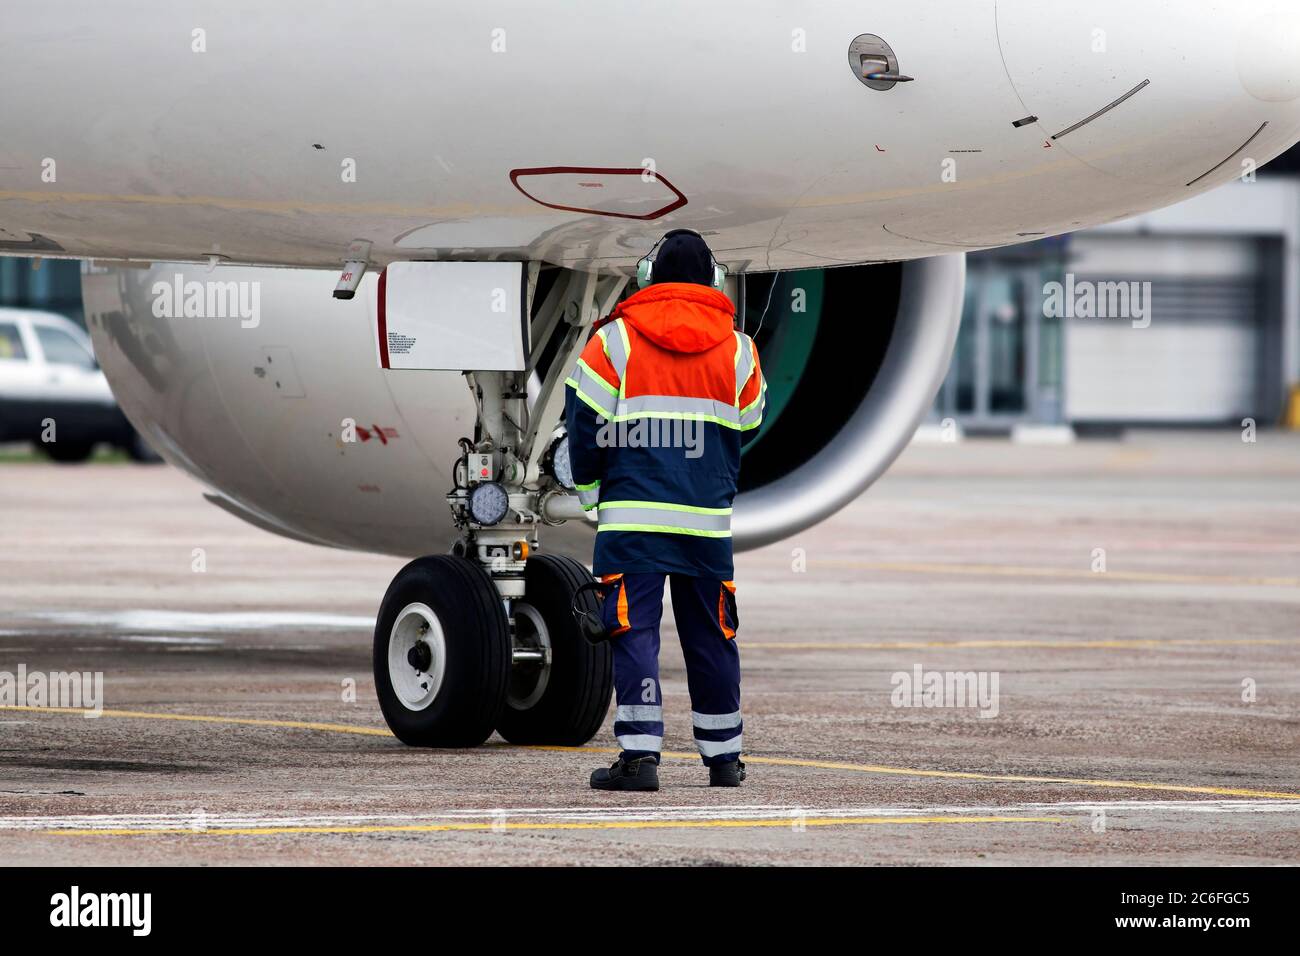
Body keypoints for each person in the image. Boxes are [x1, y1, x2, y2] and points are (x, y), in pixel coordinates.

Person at [563, 229, 765, 791]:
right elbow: (748, 422)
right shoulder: (739, 350)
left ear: (649, 277)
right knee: (711, 636)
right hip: (705, 524)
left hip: (632, 520)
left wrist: (589, 489)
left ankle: (640, 757)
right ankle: (725, 758)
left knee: (634, 633)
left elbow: (585, 427)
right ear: (714, 280)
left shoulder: (614, 343)